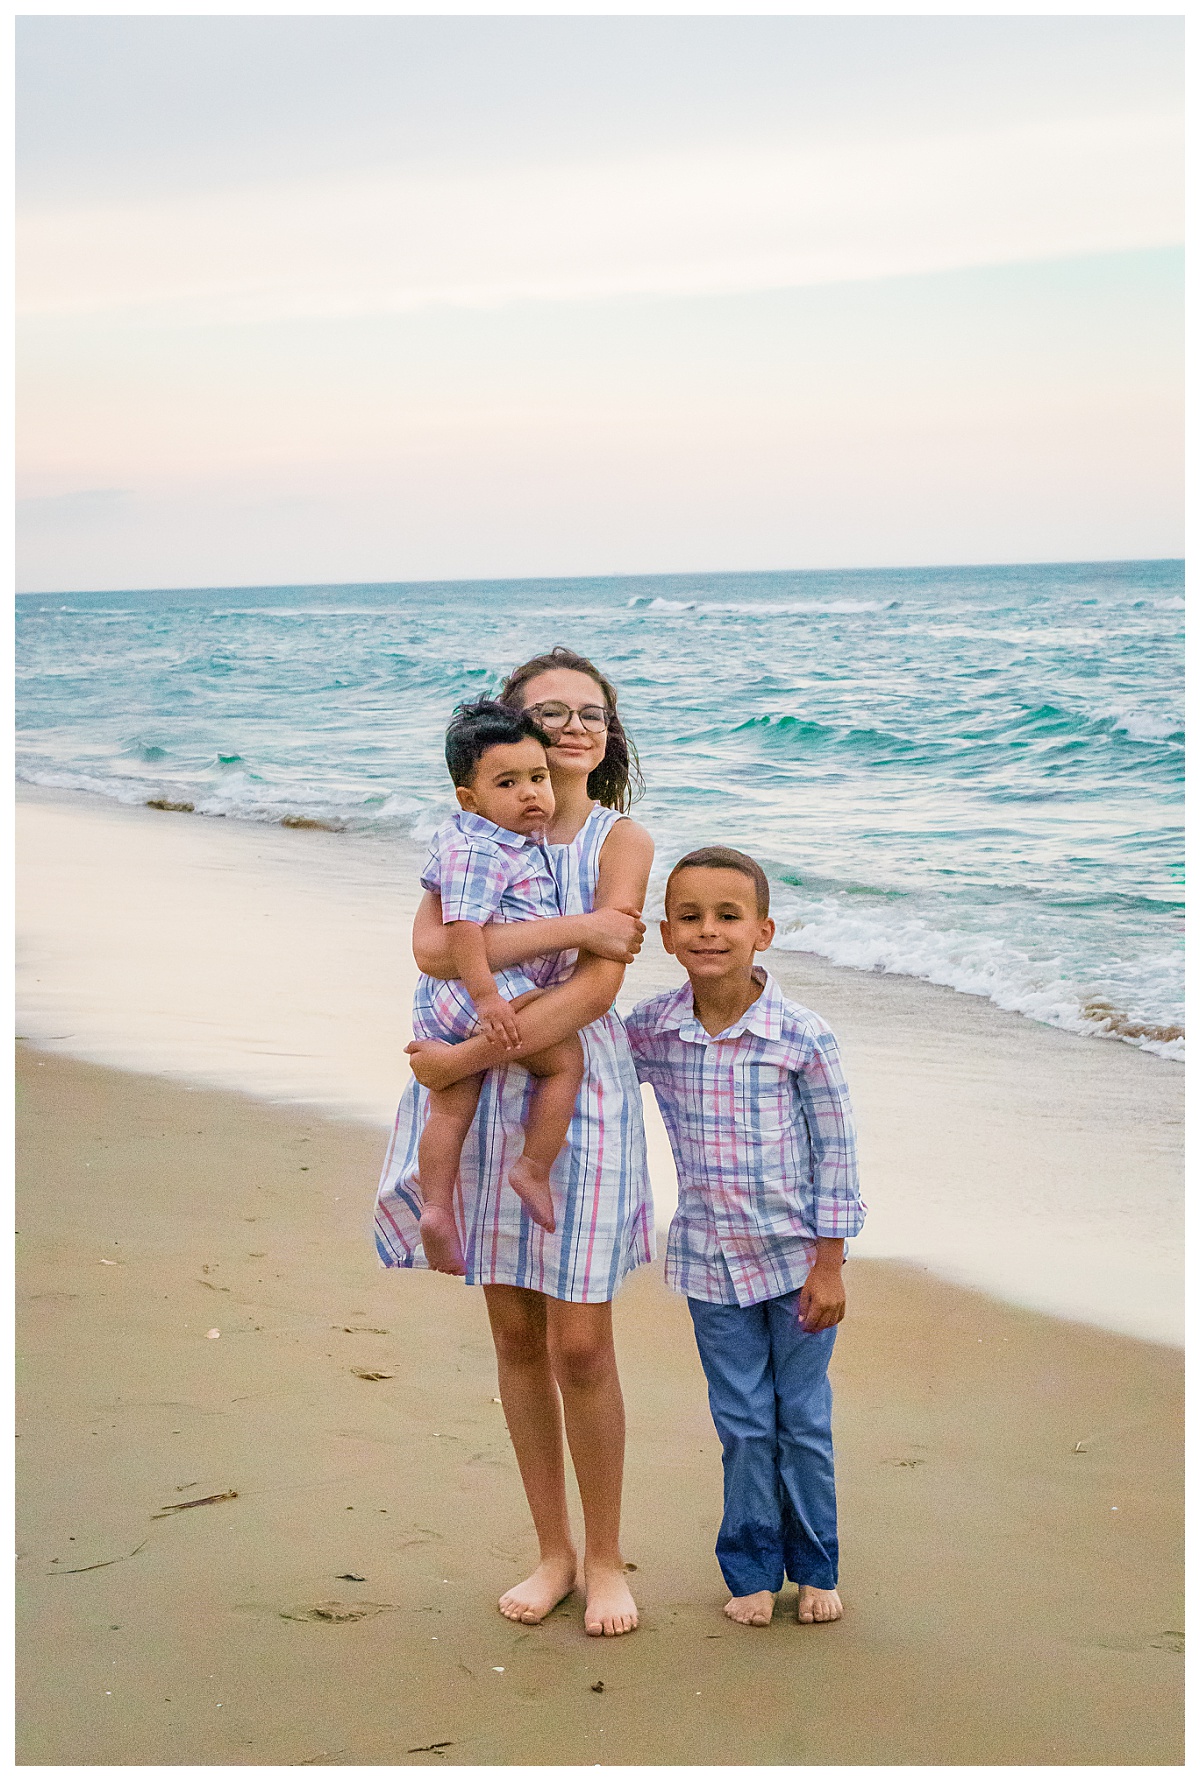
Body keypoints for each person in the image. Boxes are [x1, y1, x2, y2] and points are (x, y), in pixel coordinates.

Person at [375, 647, 654, 1637]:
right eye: (552, 714)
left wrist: (455, 1059)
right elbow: (427, 945)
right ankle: (554, 1550)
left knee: (581, 1340)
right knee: (514, 1332)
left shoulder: (621, 840)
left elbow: (597, 980)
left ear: (609, 734)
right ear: (515, 733)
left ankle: (610, 1553)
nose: (574, 727)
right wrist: (550, 941)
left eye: (592, 713)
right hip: (479, 1092)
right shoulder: (466, 831)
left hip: (567, 1094)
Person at [624, 845, 865, 1629]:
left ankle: (818, 1564)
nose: (709, 931)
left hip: (798, 1264)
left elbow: (838, 1157)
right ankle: (753, 1568)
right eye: (690, 916)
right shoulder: (653, 1030)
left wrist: (830, 1264)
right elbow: (585, 1068)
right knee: (743, 1423)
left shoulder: (802, 1037)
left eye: (728, 916)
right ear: (665, 933)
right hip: (709, 1262)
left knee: (801, 1418)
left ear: (763, 930)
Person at [413, 700, 585, 1272]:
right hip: (484, 986)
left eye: (538, 778)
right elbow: (463, 928)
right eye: (508, 783)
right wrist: (488, 998)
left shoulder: (478, 837)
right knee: (562, 1061)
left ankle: (436, 1210)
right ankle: (532, 1168)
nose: (531, 793)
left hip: (454, 994)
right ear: (470, 798)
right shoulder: (481, 849)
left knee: (450, 1107)